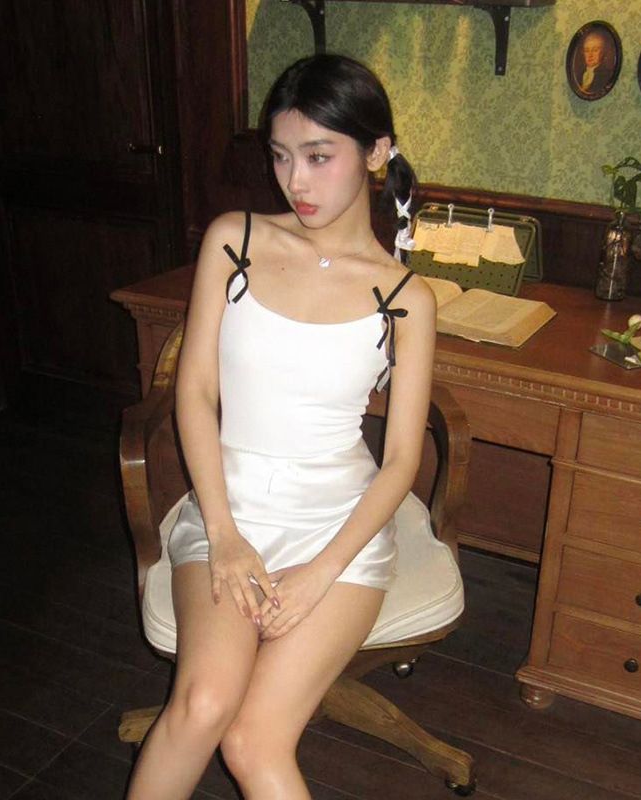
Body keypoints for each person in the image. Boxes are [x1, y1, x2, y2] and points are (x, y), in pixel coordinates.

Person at [124, 53, 436, 800]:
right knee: (202, 706)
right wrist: (225, 535)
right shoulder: (234, 240)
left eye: (319, 156)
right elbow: (196, 390)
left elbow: (400, 460)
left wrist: (320, 572)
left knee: (254, 740)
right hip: (229, 510)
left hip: (339, 532)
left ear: (377, 152)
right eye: (281, 156)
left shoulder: (406, 298)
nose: (295, 181)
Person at [576, 31, 613, 95]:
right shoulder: (578, 76)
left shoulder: (607, 74)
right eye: (587, 51)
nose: (590, 55)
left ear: (602, 53)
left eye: (595, 50)